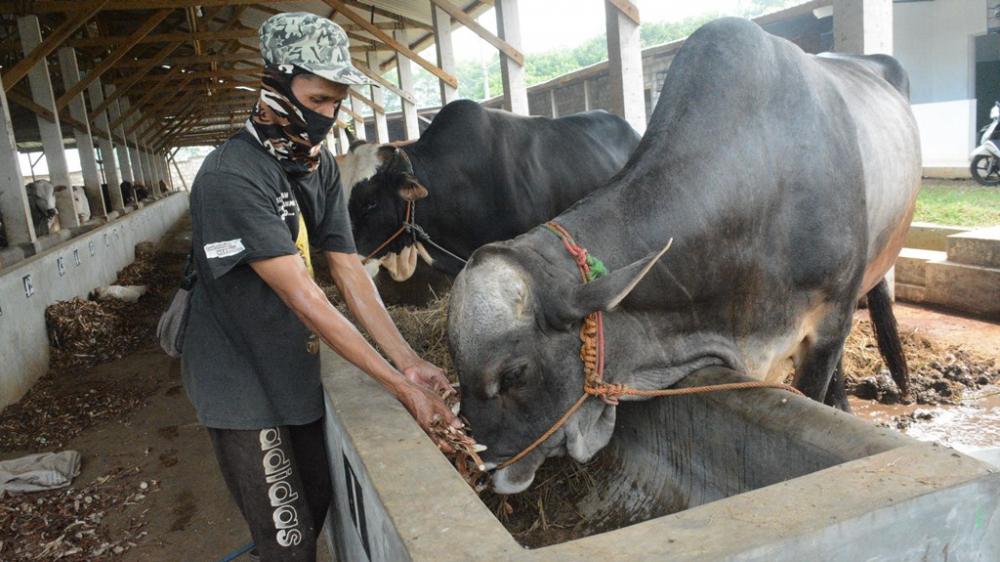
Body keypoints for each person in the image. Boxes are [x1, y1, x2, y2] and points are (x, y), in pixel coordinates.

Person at [180, 12, 460, 561]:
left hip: (292, 362)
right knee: (287, 541)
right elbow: (304, 295)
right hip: (239, 376)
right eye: (315, 101)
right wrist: (402, 391)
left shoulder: (318, 167)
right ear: (277, 86)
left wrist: (406, 359)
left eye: (335, 103)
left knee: (317, 505)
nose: (327, 117)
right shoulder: (230, 176)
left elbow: (348, 269)